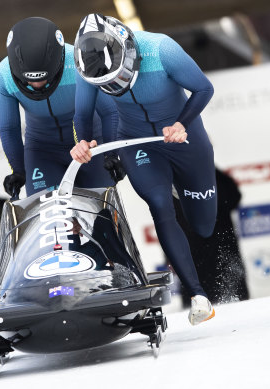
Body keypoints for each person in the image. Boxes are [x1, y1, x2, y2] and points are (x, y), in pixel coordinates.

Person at [70, 14, 217, 325]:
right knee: (160, 205)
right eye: (105, 85)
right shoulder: (86, 69)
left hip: (183, 138)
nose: (115, 86)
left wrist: (181, 123)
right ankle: (197, 294)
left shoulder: (161, 50)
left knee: (203, 225)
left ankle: (180, 186)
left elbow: (204, 89)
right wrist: (83, 143)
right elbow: (83, 114)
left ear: (129, 52)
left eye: (116, 78)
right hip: (137, 142)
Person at [0, 17, 124, 198]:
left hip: (89, 146)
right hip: (42, 152)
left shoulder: (80, 60)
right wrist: (18, 170)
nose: (38, 84)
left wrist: (111, 154)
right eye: (30, 80)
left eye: (43, 78)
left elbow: (109, 112)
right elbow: (9, 128)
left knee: (102, 220)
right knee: (53, 223)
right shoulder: (4, 75)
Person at [173, 168, 249, 305]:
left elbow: (234, 197)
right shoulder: (171, 179)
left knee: (236, 305)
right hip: (196, 252)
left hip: (218, 248)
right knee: (201, 311)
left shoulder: (214, 174)